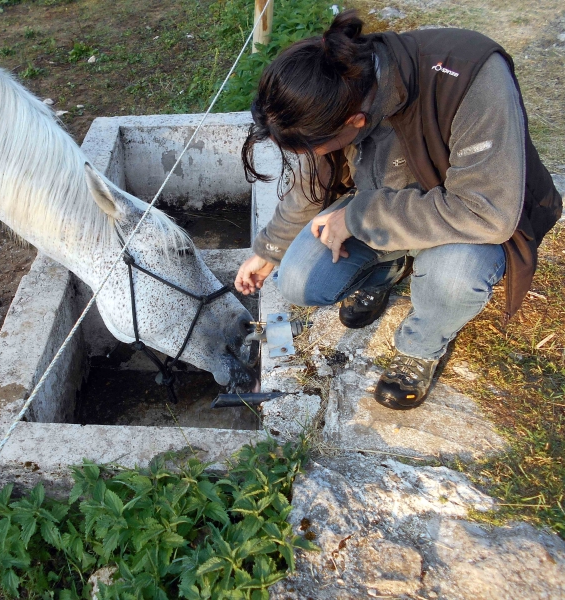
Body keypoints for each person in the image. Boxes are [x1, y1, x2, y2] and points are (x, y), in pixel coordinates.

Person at [234, 10, 562, 410]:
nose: (310, 155)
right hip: (390, 204)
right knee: (299, 280)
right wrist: (268, 251)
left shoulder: (471, 77)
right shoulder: (335, 90)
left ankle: (422, 348)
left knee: (455, 275)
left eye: (314, 146)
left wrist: (356, 218)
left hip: (470, 219)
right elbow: (311, 180)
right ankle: (388, 269)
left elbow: (486, 211)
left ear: (355, 121)